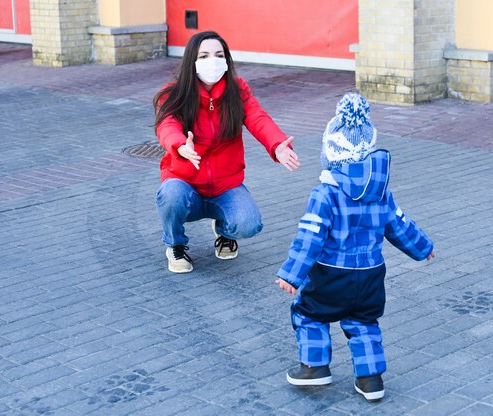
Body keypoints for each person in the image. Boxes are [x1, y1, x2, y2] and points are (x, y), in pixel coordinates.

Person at [275, 93, 435, 402]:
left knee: (309, 314)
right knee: (363, 323)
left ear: (331, 153)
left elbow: (310, 237)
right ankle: (371, 380)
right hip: (371, 276)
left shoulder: (325, 195)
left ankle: (314, 367)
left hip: (331, 275)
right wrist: (422, 248)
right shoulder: (381, 193)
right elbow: (399, 225)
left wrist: (292, 274)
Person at [153, 31, 300, 273]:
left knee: (249, 223)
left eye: (219, 55)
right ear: (192, 60)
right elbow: (166, 125)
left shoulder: (237, 90)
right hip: (185, 183)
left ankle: (224, 231)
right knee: (170, 195)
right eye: (204, 55)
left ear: (227, 59)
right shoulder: (174, 93)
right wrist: (180, 144)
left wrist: (277, 144)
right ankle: (175, 244)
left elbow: (257, 118)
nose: (213, 60)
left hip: (225, 185)